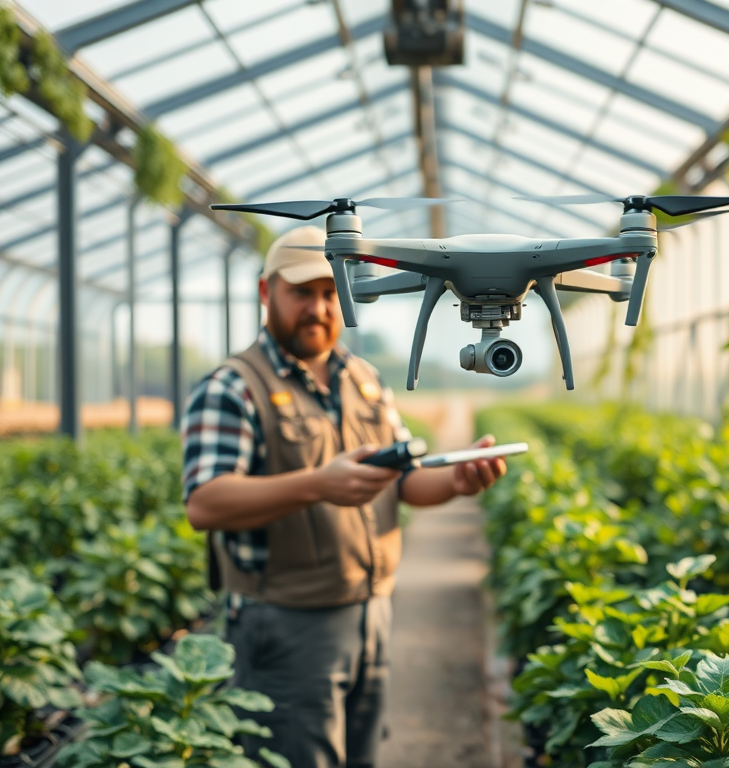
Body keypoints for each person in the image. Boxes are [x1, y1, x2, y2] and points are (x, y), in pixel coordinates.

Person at [181, 225, 507, 768]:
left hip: (372, 612)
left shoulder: (363, 379)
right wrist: (317, 484)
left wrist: (455, 480)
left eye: (331, 293)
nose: (319, 308)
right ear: (267, 293)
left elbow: (404, 479)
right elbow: (205, 504)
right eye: (302, 292)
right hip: (284, 622)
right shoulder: (233, 387)